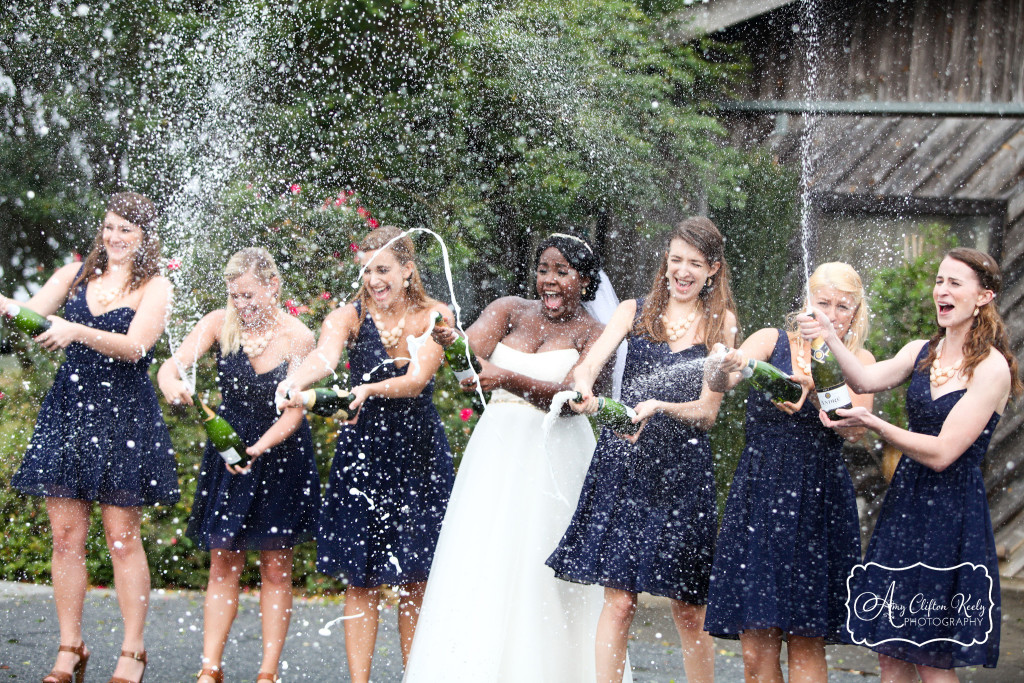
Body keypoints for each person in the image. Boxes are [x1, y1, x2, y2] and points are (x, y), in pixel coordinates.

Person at [404, 233, 622, 682]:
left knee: (542, 565)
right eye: (544, 270)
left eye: (562, 271)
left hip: (556, 457)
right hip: (498, 452)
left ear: (584, 279)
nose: (550, 280)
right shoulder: (509, 309)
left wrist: (506, 377)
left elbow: (574, 396)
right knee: (484, 554)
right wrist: (451, 343)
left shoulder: (595, 333)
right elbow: (473, 352)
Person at [797, 247, 1019, 680]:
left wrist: (873, 423)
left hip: (951, 516)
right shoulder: (922, 352)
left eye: (955, 283)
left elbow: (942, 453)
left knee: (930, 657)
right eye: (940, 281)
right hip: (906, 508)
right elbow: (862, 380)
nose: (942, 290)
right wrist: (829, 334)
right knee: (891, 651)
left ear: (984, 297)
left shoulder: (992, 370)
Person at [547, 217, 739, 683]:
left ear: (712, 269)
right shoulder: (633, 310)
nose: (683, 271)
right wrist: (590, 396)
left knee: (689, 610)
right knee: (619, 601)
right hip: (626, 463)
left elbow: (708, 412)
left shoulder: (721, 323)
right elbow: (588, 367)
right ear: (666, 261)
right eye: (676, 260)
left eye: (695, 263)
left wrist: (662, 405)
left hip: (682, 472)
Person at [6, 192, 175, 683]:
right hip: (70, 410)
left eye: (126, 229)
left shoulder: (155, 286)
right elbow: (30, 315)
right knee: (65, 538)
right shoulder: (73, 275)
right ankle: (69, 646)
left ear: (144, 236)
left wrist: (75, 330)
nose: (115, 237)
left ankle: (133, 650)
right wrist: (6, 306)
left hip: (123, 414)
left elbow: (136, 346)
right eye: (109, 227)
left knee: (122, 540)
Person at [277, 225, 454, 683]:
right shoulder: (347, 315)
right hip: (365, 453)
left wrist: (369, 388)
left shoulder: (436, 314)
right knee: (362, 577)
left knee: (416, 578)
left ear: (408, 269)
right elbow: (325, 357)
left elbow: (417, 380)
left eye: (383, 269)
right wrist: (296, 380)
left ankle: (415, 676)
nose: (374, 279)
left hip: (418, 454)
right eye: (367, 270)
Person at [703, 262, 875, 683]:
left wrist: (816, 384)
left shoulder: (859, 361)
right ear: (807, 303)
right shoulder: (770, 339)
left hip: (817, 501)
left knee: (805, 643)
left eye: (842, 307)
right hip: (760, 495)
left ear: (855, 313)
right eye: (823, 303)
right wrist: (726, 363)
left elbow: (855, 429)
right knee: (755, 655)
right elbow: (719, 383)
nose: (831, 314)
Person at [156, 248, 320, 683]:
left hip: (280, 452)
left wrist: (257, 448)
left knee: (276, 565)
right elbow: (170, 369)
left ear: (273, 287)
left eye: (249, 295)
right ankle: (210, 669)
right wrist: (172, 384)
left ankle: (267, 674)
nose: (242, 305)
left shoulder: (299, 336)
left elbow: (295, 412)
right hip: (227, 452)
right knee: (223, 561)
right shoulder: (217, 324)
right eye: (235, 296)